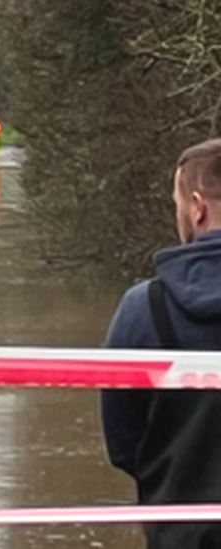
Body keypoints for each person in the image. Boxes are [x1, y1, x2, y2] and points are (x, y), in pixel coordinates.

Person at [102, 138, 221, 549]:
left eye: (176, 205)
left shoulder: (142, 309)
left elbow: (122, 442)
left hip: (179, 532)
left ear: (196, 206)